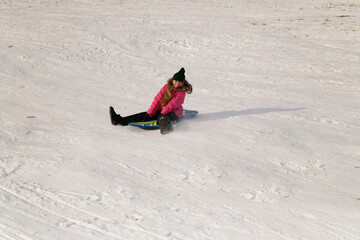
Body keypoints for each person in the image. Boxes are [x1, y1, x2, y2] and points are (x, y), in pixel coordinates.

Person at [109, 67, 192, 133]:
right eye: (175, 81)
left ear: (182, 83)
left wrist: (162, 114)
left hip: (174, 113)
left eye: (179, 82)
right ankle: (119, 120)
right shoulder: (166, 87)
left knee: (163, 117)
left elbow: (172, 104)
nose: (176, 83)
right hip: (162, 110)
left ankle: (166, 127)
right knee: (143, 115)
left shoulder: (181, 93)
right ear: (173, 79)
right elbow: (157, 100)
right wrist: (149, 114)